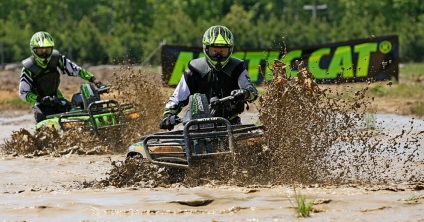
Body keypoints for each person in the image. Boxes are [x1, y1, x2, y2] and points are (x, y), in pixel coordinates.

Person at [159, 25, 258, 130]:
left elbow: (253, 93)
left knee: (252, 144)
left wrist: (244, 93)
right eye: (214, 51)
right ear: (206, 48)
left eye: (222, 51)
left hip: (231, 124)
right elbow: (177, 98)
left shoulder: (237, 68)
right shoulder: (194, 70)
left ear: (230, 50)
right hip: (196, 125)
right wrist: (168, 115)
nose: (218, 56)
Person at [19, 31, 107, 123]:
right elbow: (23, 93)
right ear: (34, 50)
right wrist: (41, 99)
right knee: (43, 126)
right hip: (40, 105)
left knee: (78, 115)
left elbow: (76, 70)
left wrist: (96, 81)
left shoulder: (57, 58)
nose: (45, 54)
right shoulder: (28, 68)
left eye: (47, 50)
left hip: (57, 99)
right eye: (41, 51)